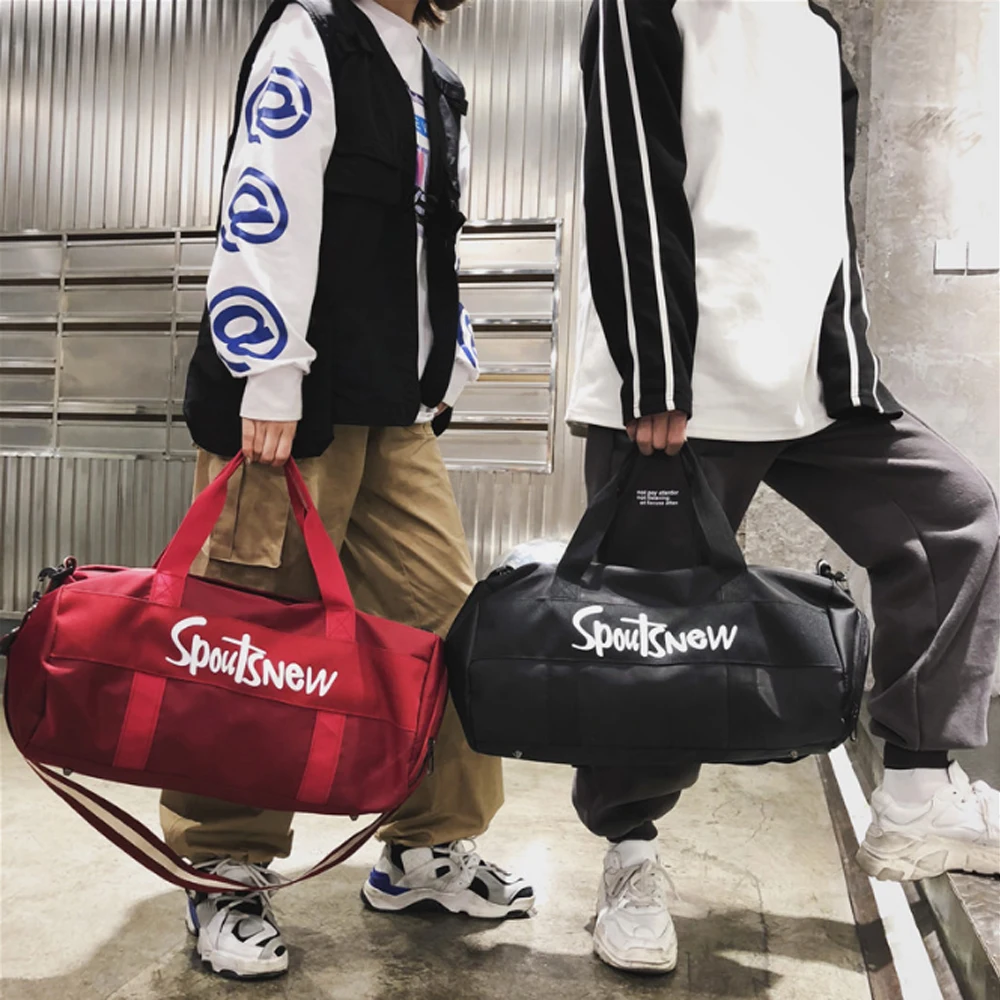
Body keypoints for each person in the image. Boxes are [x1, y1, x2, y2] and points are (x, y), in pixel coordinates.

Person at [567, 0, 1000, 975]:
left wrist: (850, 364)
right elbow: (630, 173)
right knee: (648, 634)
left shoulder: (816, 25)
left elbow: (825, 217)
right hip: (681, 387)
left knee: (955, 519)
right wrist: (654, 369)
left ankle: (917, 786)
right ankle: (629, 858)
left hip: (811, 381)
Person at [176, 0, 533, 979]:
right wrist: (267, 369)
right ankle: (222, 863)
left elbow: (429, 247)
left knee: (441, 621)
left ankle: (425, 848)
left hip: (393, 408)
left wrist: (447, 363)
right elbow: (266, 199)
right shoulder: (313, 33)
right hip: (293, 401)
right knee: (255, 634)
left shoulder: (436, 79)